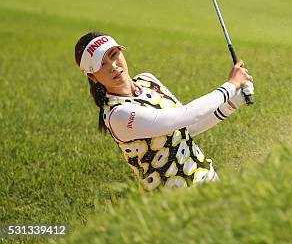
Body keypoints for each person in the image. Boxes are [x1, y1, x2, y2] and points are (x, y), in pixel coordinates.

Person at [74, 31, 254, 191]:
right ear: (92, 76)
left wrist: (231, 104)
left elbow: (184, 127)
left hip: (208, 179)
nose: (112, 65)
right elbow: (184, 115)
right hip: (176, 203)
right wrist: (230, 86)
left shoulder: (147, 80)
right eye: (101, 64)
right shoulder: (118, 115)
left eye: (114, 55)